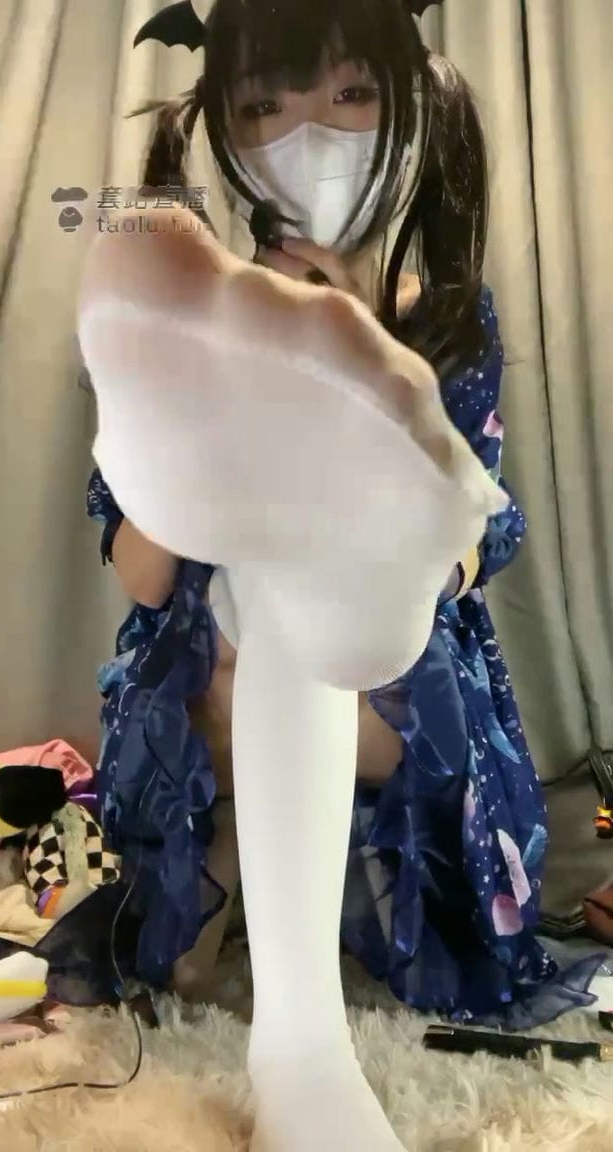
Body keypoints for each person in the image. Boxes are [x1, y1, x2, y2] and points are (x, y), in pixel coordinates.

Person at [87, 0, 598, 1034]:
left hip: (391, 676)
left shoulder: (446, 313)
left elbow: (469, 543)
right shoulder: (186, 308)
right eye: (263, 107)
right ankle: (249, 914)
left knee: (307, 625)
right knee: (237, 630)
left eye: (353, 93)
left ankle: (300, 1023)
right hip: (212, 678)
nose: (308, 134)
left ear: (407, 102)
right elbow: (142, 573)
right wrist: (216, 390)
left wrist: (363, 360)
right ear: (223, 126)